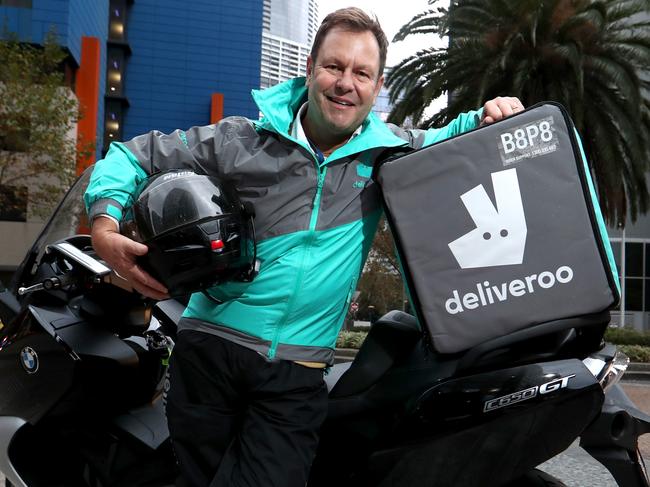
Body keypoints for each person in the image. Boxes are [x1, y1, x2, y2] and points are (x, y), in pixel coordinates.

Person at [84, 7, 524, 486]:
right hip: (209, 353)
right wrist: (105, 228)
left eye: (362, 73)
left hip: (297, 370)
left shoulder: (390, 154)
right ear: (311, 68)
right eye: (335, 66)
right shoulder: (241, 140)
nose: (345, 83)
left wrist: (490, 114)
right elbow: (130, 155)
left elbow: (454, 141)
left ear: (377, 88)